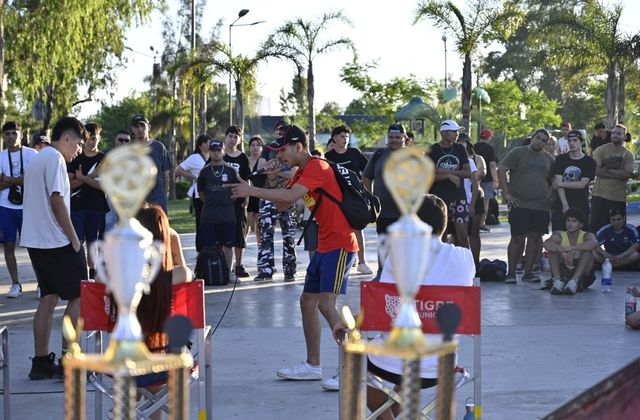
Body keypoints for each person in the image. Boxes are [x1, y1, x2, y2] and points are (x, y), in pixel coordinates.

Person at [227, 124, 358, 390]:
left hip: (341, 245)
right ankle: (312, 365)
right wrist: (272, 177)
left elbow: (287, 197)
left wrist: (251, 191)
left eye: (282, 149)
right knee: (307, 302)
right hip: (324, 246)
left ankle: (353, 368)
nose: (279, 155)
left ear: (299, 147)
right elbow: (283, 204)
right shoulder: (301, 172)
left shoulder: (318, 167)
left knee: (325, 304)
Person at [332, 194, 474, 416]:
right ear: (444, 225)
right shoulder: (465, 257)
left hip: (394, 363)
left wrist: (347, 322)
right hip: (440, 364)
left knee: (351, 361)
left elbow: (384, 306)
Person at [21, 117, 87, 379]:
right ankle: (68, 360)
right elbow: (57, 201)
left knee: (48, 298)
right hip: (55, 240)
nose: (79, 151)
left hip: (36, 240)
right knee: (80, 295)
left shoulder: (38, 157)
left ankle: (40, 362)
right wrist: (74, 238)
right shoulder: (56, 159)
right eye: (78, 144)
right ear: (67, 139)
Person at [498, 128, 555, 284]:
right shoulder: (518, 152)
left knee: (535, 239)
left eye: (544, 140)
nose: (540, 142)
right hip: (519, 203)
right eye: (538, 138)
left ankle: (528, 273)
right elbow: (502, 169)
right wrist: (507, 193)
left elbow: (554, 180)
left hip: (541, 206)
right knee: (517, 238)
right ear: (532, 137)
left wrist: (550, 195)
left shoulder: (549, 159)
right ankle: (511, 273)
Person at [136, 204, 191, 354]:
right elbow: (185, 271)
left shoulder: (124, 278)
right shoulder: (178, 274)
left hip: (129, 355)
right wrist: (171, 236)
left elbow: (99, 276)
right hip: (167, 352)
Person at [324, 124, 373, 274]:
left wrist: (365, 192)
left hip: (354, 196)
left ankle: (362, 262)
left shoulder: (354, 152)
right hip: (336, 198)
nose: (345, 139)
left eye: (347, 136)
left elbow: (367, 172)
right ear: (334, 138)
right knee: (339, 229)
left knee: (357, 227)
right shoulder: (329, 157)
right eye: (341, 136)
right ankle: (343, 259)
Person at [254, 120, 297, 282]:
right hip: (268, 196)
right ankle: (265, 269)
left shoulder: (292, 149)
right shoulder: (268, 148)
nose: (280, 133)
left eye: (283, 130)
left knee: (289, 235)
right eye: (278, 130)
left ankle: (290, 270)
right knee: (266, 233)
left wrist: (275, 171)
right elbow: (262, 168)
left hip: (287, 196)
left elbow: (293, 174)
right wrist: (276, 171)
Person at [362, 123, 407, 280]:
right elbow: (366, 177)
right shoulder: (379, 154)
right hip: (382, 210)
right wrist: (369, 198)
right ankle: (382, 273)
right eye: (391, 137)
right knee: (383, 243)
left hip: (404, 211)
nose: (394, 140)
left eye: (397, 137)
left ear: (404, 138)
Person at [0, 121, 37, 297]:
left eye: (14, 133)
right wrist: (20, 179)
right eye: (7, 134)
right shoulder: (1, 156)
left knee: (33, 246)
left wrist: (7, 180)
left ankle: (41, 284)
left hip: (28, 205)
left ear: (21, 135)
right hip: (5, 205)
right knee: (8, 245)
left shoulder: (32, 154)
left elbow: (34, 180)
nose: (10, 137)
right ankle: (16, 284)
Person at [67, 122, 108, 280]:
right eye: (88, 138)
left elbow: (104, 186)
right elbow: (70, 184)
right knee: (77, 242)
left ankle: (93, 274)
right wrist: (89, 177)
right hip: (77, 207)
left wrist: (81, 177)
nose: (91, 142)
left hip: (97, 208)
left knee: (93, 243)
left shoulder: (104, 159)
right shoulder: (75, 157)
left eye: (94, 138)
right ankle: (79, 275)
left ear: (99, 138)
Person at [197, 139, 241, 274]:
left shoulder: (231, 170)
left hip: (227, 215)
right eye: (213, 150)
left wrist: (227, 201)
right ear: (209, 152)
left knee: (228, 246)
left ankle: (227, 273)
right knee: (209, 247)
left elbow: (238, 189)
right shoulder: (204, 172)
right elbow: (201, 193)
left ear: (223, 152)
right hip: (209, 216)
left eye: (218, 150)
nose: (215, 153)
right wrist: (212, 203)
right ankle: (211, 273)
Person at [428, 119, 471, 248]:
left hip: (459, 199)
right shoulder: (433, 150)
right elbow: (428, 176)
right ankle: (441, 267)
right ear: (444, 133)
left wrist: (441, 172)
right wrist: (449, 175)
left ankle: (466, 266)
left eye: (457, 132)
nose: (457, 135)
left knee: (463, 236)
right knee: (441, 236)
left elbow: (468, 172)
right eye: (454, 132)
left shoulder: (459, 148)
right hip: (439, 200)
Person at [589, 124, 634, 233]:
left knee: (618, 233)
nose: (615, 135)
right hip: (599, 196)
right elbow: (596, 170)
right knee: (594, 232)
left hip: (618, 199)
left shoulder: (628, 155)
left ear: (624, 136)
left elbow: (626, 174)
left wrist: (606, 170)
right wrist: (617, 173)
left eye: (619, 133)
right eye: (613, 133)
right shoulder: (600, 150)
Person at [542, 208, 597, 295]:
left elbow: (594, 243)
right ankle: (557, 281)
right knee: (553, 251)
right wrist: (562, 252)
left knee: (588, 252)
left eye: (574, 221)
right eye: (568, 220)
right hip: (564, 272)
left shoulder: (587, 235)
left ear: (581, 224)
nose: (570, 224)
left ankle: (574, 282)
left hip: (582, 275)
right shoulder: (559, 234)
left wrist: (572, 248)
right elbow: (546, 244)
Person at [551, 130, 596, 232]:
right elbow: (558, 184)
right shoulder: (561, 159)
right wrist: (565, 205)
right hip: (561, 205)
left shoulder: (589, 162)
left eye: (575, 140)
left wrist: (560, 183)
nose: (571, 143)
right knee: (558, 237)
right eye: (569, 140)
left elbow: (581, 184)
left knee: (581, 238)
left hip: (581, 205)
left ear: (582, 142)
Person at [222, 125, 251, 277]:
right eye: (230, 136)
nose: (232, 139)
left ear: (239, 139)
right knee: (224, 235)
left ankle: (239, 265)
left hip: (238, 202)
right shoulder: (219, 155)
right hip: (222, 202)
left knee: (239, 234)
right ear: (225, 137)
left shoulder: (242, 158)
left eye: (235, 136)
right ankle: (226, 267)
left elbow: (247, 180)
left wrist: (246, 199)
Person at [131, 114, 172, 212]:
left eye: (142, 126)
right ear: (132, 129)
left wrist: (163, 197)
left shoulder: (159, 147)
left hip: (157, 201)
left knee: (159, 227)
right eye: (136, 126)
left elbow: (166, 177)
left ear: (148, 127)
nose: (140, 129)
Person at [175, 134, 210, 251]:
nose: (209, 145)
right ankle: (200, 247)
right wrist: (194, 176)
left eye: (210, 142)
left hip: (212, 194)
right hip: (198, 194)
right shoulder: (194, 157)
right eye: (206, 142)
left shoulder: (214, 156)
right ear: (200, 146)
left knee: (211, 220)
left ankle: (210, 245)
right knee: (200, 220)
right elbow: (178, 169)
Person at [458, 134, 484, 268]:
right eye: (459, 141)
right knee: (459, 236)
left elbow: (476, 185)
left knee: (474, 233)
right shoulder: (452, 160)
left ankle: (475, 263)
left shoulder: (472, 160)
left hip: (472, 199)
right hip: (457, 202)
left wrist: (472, 205)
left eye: (464, 141)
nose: (462, 143)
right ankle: (463, 264)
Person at [104, 129, 131, 232]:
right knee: (109, 223)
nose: (123, 142)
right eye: (121, 140)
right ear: (116, 140)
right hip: (110, 195)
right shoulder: (106, 154)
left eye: (126, 141)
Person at [475, 128, 499, 231]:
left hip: (475, 178)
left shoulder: (473, 147)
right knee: (485, 202)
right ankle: (481, 224)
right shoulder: (490, 148)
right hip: (488, 179)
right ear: (488, 137)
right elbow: (492, 165)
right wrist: (496, 180)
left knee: (474, 202)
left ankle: (475, 224)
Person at [247, 136, 264, 246]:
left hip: (259, 195)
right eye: (252, 145)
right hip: (247, 195)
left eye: (258, 145)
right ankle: (241, 250)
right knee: (246, 225)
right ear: (249, 148)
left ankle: (261, 249)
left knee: (259, 226)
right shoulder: (246, 161)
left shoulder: (264, 161)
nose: (255, 148)